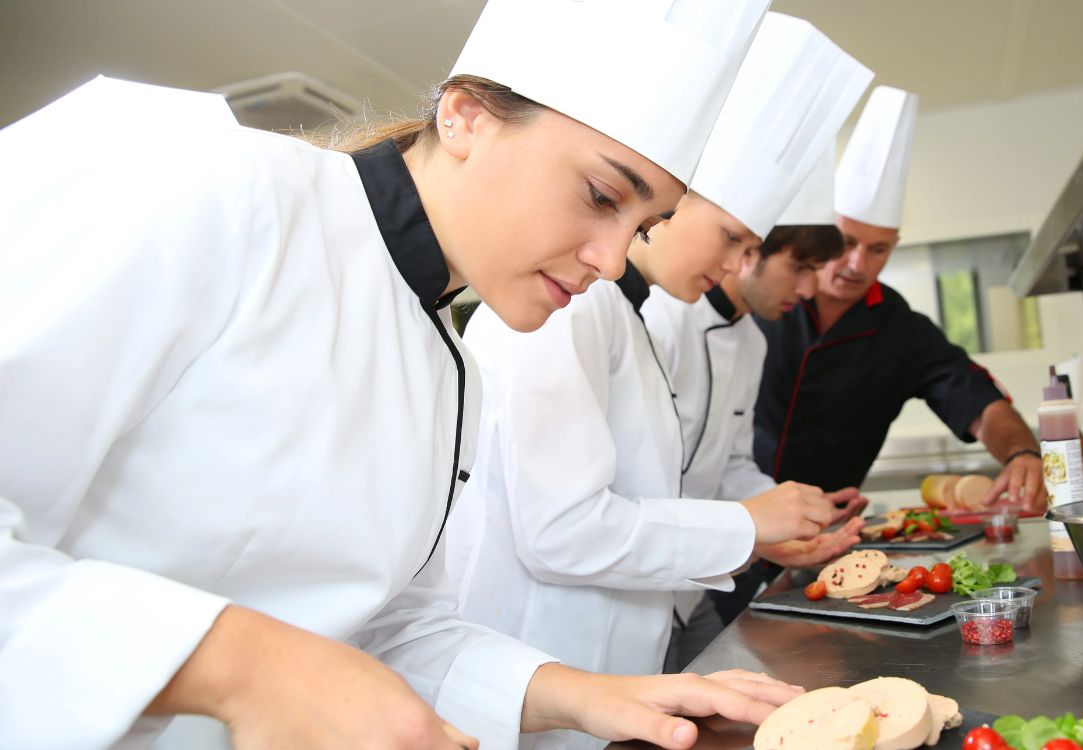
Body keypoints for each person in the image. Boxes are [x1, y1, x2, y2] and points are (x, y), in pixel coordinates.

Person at [0, 2, 805, 748]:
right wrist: (241, 664)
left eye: (643, 226)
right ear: (463, 118)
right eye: (600, 196)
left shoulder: (448, 365)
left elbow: (392, 630)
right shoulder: (212, 188)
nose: (609, 259)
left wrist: (590, 694)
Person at [443, 14, 872, 748]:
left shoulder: (620, 315)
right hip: (540, 665)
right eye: (733, 238)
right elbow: (562, 531)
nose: (741, 265)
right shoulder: (568, 309)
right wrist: (747, 526)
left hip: (615, 669)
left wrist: (765, 517)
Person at [754, 85, 1046, 514]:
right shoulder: (766, 300)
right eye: (846, 241)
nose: (856, 264)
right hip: (733, 518)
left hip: (826, 531)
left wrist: (1022, 454)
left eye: (878, 250)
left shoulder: (902, 332)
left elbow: (982, 406)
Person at [642, 147, 868, 670]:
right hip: (644, 577)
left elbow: (730, 465)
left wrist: (793, 512)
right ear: (751, 252)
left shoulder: (752, 342)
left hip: (689, 589)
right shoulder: (660, 316)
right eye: (800, 268)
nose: (810, 289)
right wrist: (751, 527)